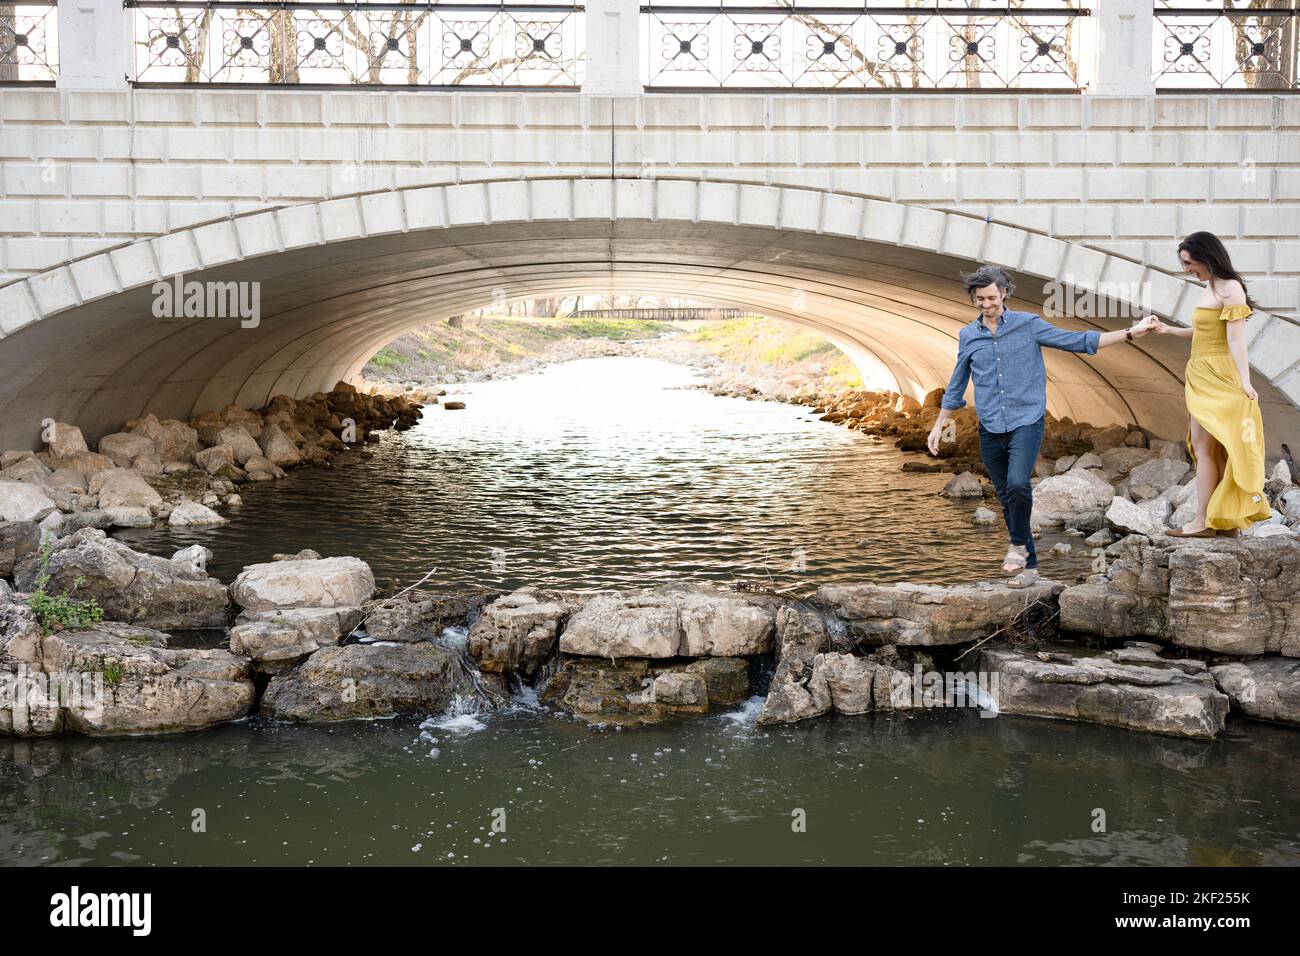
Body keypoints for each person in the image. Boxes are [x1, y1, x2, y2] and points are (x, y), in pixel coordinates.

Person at [927, 265, 1156, 587]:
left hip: (1026, 421)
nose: (986, 304)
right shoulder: (969, 335)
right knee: (1007, 496)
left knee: (1019, 484)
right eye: (979, 299)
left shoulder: (1028, 325)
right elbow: (957, 382)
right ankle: (1030, 567)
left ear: (1004, 293)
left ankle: (1018, 548)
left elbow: (1079, 341)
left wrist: (1131, 332)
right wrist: (940, 425)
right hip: (990, 426)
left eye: (991, 297)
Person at [1148, 231, 1269, 537]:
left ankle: (1203, 521)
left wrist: (1245, 382)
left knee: (1209, 448)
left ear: (1206, 257)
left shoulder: (1231, 289)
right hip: (1200, 374)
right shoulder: (1211, 287)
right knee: (1207, 448)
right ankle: (1218, 520)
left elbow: (1236, 339)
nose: (1187, 269)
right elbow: (1202, 332)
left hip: (1219, 376)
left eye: (1189, 263)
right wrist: (1167, 330)